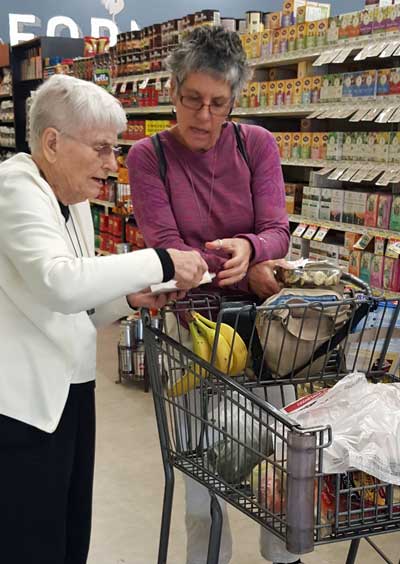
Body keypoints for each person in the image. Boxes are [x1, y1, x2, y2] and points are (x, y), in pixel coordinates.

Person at [0, 73, 207, 564]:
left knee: (70, 535)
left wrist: (128, 301)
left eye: (113, 151)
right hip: (22, 410)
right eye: (99, 149)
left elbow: (76, 307)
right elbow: (61, 281)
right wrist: (161, 260)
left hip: (71, 396)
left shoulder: (70, 203)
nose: (111, 166)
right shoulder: (15, 186)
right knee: (29, 542)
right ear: (52, 143)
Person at [127, 26, 301, 564]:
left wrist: (253, 246)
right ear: (173, 91)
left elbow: (278, 229)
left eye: (217, 104)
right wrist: (247, 266)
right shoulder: (146, 156)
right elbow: (167, 248)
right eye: (191, 100)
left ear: (234, 102)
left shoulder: (257, 146)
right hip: (194, 334)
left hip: (269, 334)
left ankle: (284, 558)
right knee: (202, 484)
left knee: (282, 468)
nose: (203, 117)